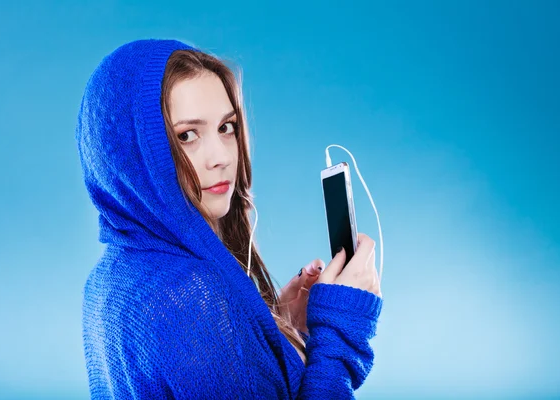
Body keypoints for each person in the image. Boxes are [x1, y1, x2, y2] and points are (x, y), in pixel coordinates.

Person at [77, 38, 383, 399]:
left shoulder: (108, 280)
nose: (221, 156)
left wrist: (268, 330)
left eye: (226, 127)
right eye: (187, 136)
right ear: (131, 155)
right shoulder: (191, 295)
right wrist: (340, 330)